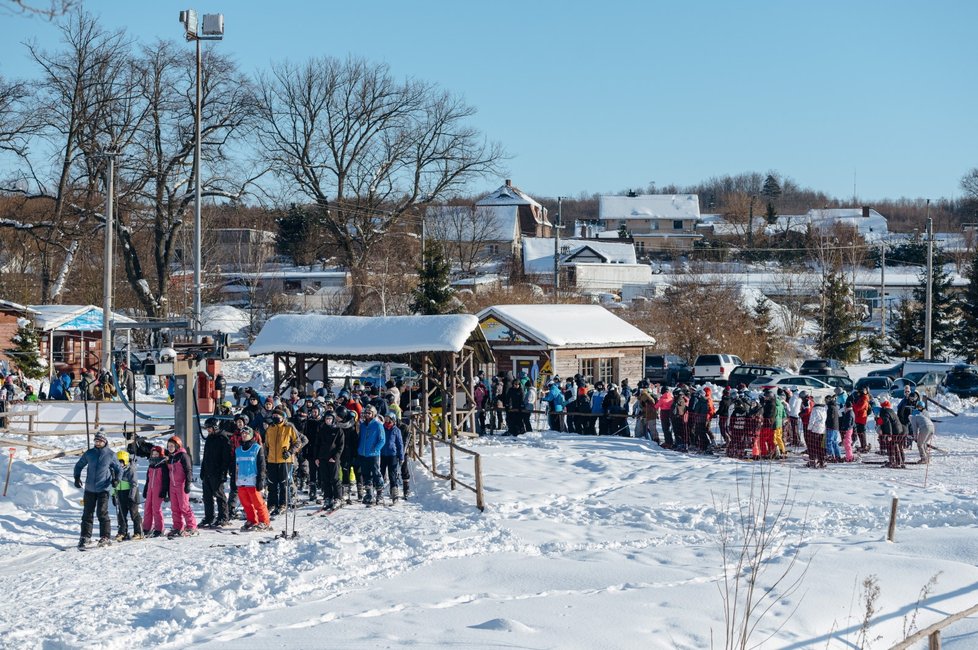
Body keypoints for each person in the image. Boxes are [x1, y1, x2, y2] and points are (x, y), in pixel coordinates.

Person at [73, 430, 122, 549]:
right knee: (87, 514)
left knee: (102, 513)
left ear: (104, 441)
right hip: (89, 488)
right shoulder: (89, 453)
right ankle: (85, 537)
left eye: (99, 440)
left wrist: (117, 480)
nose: (97, 442)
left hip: (103, 489)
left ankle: (105, 537)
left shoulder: (110, 454)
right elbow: (79, 465)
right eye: (96, 440)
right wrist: (77, 477)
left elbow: (119, 469)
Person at [263, 408, 301, 516]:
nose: (275, 418)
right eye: (273, 416)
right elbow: (266, 445)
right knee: (272, 483)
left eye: (277, 416)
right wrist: (265, 457)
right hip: (271, 460)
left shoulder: (289, 427)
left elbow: (297, 442)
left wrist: (290, 452)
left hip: (285, 460)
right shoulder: (270, 428)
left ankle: (283, 503)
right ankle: (272, 504)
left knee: (284, 483)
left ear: (282, 417)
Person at [233, 426, 271, 531]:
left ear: (251, 435)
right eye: (242, 433)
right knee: (246, 504)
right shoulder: (238, 450)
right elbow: (235, 466)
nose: (244, 435)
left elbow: (261, 465)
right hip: (241, 480)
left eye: (246, 433)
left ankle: (264, 522)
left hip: (253, 480)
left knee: (258, 503)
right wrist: (234, 479)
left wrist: (260, 479)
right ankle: (252, 520)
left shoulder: (257, 448)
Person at [199, 418, 232, 527]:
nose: (208, 430)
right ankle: (209, 517)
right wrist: (203, 470)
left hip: (217, 472)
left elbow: (226, 458)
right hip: (208, 471)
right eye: (207, 428)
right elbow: (205, 456)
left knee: (219, 495)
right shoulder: (209, 438)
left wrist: (223, 472)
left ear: (215, 427)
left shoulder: (223, 438)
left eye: (209, 428)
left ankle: (223, 517)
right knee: (207, 496)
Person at [164, 436, 198, 537]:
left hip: (181, 484)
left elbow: (188, 470)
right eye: (168, 446)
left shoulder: (183, 455)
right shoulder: (170, 457)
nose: (170, 448)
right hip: (172, 485)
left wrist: (187, 484)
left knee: (184, 506)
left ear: (177, 446)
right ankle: (178, 526)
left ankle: (192, 526)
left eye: (172, 446)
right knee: (174, 507)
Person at [314, 407, 345, 510]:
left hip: (333, 458)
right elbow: (317, 444)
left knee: (335, 479)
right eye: (326, 418)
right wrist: (317, 457)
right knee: (325, 479)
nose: (328, 420)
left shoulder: (338, 430)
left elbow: (340, 446)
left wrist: (335, 457)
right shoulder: (321, 429)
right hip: (322, 457)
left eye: (330, 418)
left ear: (333, 419)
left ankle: (338, 498)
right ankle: (328, 498)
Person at [357, 405, 386, 506]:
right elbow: (360, 437)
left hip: (373, 454)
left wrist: (376, 449)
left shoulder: (378, 425)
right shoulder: (363, 425)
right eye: (366, 413)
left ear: (373, 414)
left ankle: (379, 494)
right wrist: (359, 449)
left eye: (369, 413)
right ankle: (369, 494)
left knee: (376, 473)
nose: (367, 415)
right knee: (366, 474)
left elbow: (382, 440)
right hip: (363, 453)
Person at [113, 450, 143, 541]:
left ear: (125, 461)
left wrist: (131, 497)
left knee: (134, 514)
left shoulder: (131, 469)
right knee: (121, 514)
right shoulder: (115, 470)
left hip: (131, 494)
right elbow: (113, 485)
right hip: (121, 494)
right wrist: (113, 496)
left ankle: (138, 532)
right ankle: (122, 532)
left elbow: (134, 484)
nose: (120, 464)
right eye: (118, 462)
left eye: (121, 462)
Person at [142, 445, 168, 538]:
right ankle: (147, 527)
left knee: (156, 509)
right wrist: (145, 490)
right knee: (147, 507)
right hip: (150, 489)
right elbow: (148, 480)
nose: (154, 456)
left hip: (158, 490)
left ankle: (159, 529)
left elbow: (165, 480)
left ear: (160, 455)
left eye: (156, 454)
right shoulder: (151, 466)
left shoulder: (163, 466)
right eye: (153, 454)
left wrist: (164, 491)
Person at [379, 414, 405, 503]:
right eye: (385, 418)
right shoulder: (382, 428)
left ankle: (394, 493)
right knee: (380, 473)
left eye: (388, 419)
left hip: (392, 455)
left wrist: (401, 456)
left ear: (392, 420)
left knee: (392, 474)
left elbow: (400, 444)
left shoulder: (396, 430)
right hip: (382, 454)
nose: (386, 420)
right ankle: (379, 493)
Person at [877, 400, 906, 469]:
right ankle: (899, 461)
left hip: (894, 431)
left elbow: (887, 424)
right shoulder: (891, 410)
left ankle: (894, 461)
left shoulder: (884, 412)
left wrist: (888, 434)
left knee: (891, 446)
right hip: (900, 430)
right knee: (896, 445)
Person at [806, 399, 827, 469]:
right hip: (822, 430)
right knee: (820, 447)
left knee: (813, 446)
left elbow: (812, 420)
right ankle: (822, 461)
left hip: (815, 430)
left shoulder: (815, 410)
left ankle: (813, 461)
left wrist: (809, 428)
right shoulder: (824, 410)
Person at [824, 395, 843, 462]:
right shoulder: (835, 406)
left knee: (829, 441)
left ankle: (831, 455)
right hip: (835, 427)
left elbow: (830, 417)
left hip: (831, 426)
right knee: (835, 442)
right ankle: (838, 455)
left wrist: (825, 421)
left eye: (826, 400)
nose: (825, 402)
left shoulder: (830, 407)